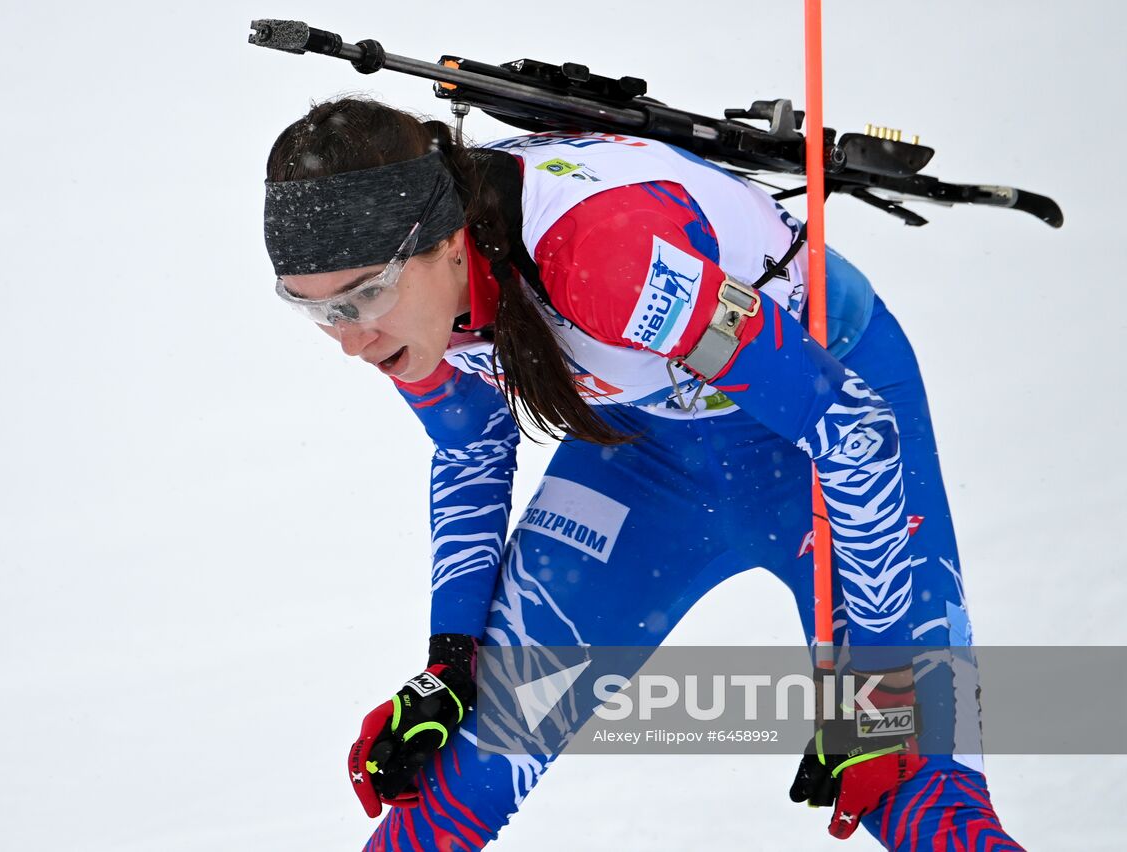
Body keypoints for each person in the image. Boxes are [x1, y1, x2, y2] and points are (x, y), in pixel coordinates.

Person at [262, 96, 1022, 850]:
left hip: (816, 439)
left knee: (915, 795)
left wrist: (878, 694)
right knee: (456, 787)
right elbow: (469, 447)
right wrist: (449, 665)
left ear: (446, 242)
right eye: (317, 312)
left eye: (366, 296)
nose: (350, 341)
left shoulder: (607, 261)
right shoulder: (411, 311)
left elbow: (851, 435)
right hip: (648, 453)